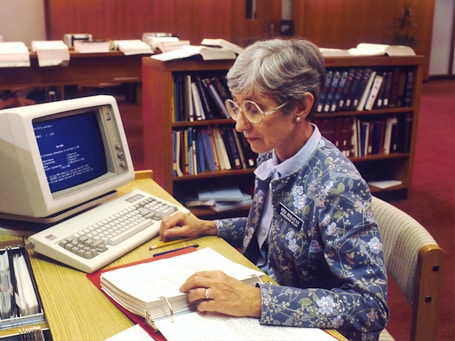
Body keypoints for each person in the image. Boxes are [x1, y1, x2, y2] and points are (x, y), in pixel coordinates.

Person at [159, 38, 389, 340]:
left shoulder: (337, 185)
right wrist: (209, 226)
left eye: (254, 109)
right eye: (237, 106)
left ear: (301, 106)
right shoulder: (274, 151)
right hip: (265, 301)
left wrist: (256, 300)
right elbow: (277, 229)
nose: (240, 125)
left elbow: (369, 307)